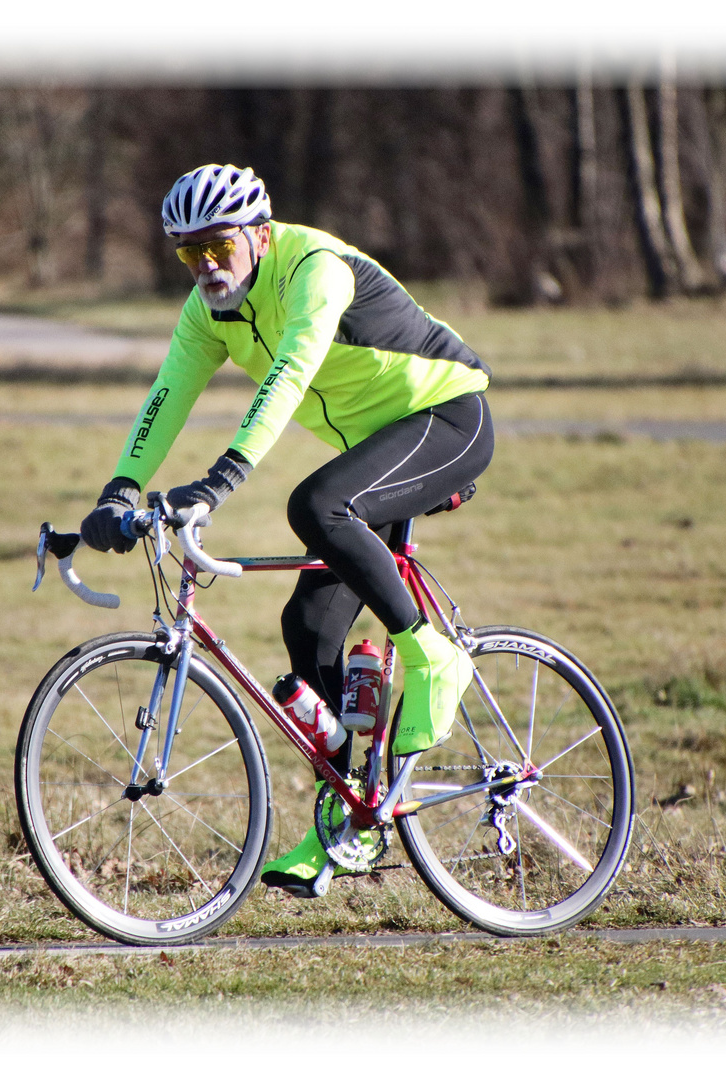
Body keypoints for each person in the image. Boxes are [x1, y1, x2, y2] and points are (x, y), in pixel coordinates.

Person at [80, 163, 494, 894]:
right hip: (373, 454)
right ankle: (347, 824)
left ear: (259, 236)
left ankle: (433, 656)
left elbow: (289, 376)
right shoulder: (207, 310)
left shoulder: (314, 269)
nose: (206, 266)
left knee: (316, 505)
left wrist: (221, 481)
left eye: (218, 246)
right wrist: (120, 486)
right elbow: (167, 395)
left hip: (446, 417)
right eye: (188, 253)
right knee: (307, 625)